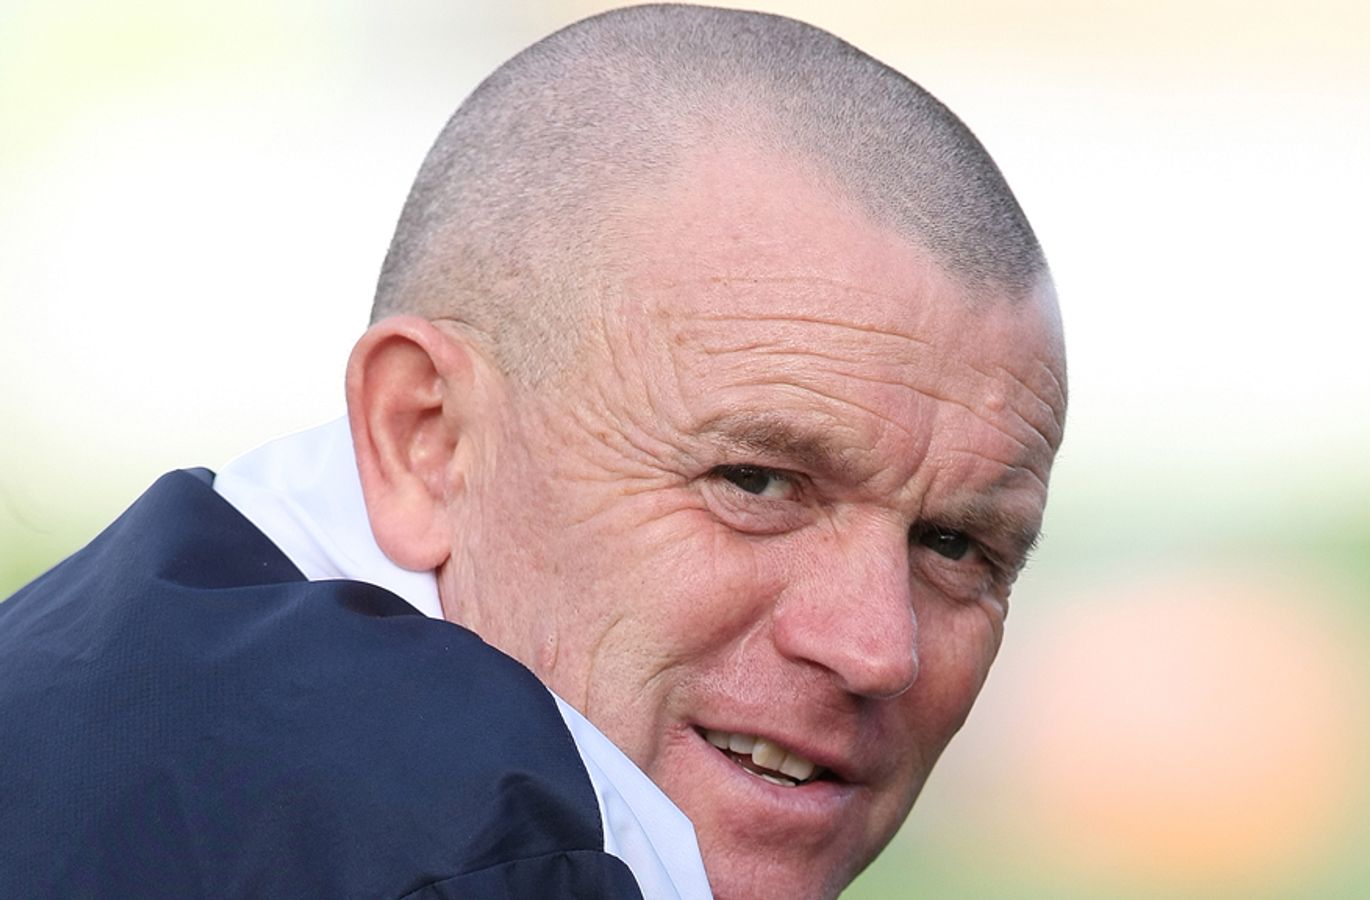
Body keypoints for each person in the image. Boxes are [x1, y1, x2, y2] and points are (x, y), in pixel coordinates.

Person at [0, 5, 1066, 899]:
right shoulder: (481, 857)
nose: (877, 649)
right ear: (423, 437)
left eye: (956, 546)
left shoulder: (77, 678)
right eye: (756, 482)